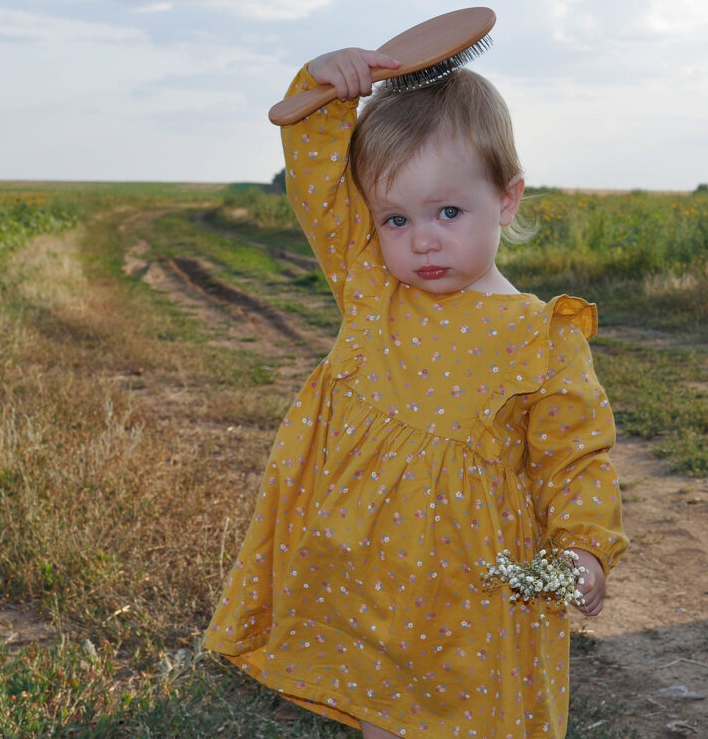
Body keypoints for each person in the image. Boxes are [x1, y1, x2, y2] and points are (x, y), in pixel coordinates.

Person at [203, 45, 627, 738]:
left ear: (507, 199)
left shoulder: (541, 336)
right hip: (366, 568)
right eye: (395, 219)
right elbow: (315, 180)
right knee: (384, 709)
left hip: (474, 586)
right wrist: (326, 88)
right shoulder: (374, 287)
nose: (422, 242)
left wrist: (582, 544)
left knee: (468, 717)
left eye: (449, 212)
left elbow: (575, 457)